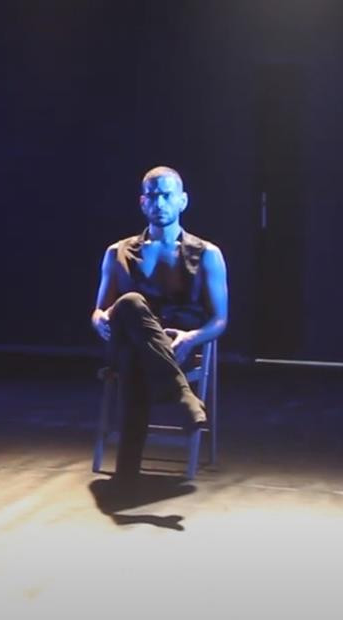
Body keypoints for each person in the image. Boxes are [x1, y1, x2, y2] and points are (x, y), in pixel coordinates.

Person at [90, 166, 228, 479]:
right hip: (129, 345)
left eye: (166, 195)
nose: (159, 203)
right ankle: (181, 394)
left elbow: (220, 319)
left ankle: (127, 469)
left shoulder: (207, 254)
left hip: (178, 348)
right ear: (142, 202)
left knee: (137, 356)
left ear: (182, 201)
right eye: (152, 196)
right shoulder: (118, 252)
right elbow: (99, 310)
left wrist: (191, 338)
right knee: (130, 302)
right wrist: (98, 319)